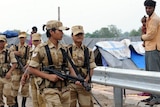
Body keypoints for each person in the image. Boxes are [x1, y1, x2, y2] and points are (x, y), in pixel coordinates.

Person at [27, 20, 73, 107]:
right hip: (49, 89)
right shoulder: (41, 48)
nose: (62, 33)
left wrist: (77, 79)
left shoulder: (64, 49)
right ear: (51, 32)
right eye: (60, 31)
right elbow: (31, 68)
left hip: (64, 89)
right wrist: (48, 76)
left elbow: (71, 67)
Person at [67, 25, 97, 107]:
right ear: (72, 36)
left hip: (84, 84)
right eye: (77, 35)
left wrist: (86, 80)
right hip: (70, 84)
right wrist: (75, 79)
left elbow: (91, 67)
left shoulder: (88, 51)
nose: (79, 37)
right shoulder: (67, 50)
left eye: (81, 34)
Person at [141, 0, 160, 106]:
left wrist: (142, 37)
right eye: (146, 8)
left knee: (155, 74)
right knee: (149, 74)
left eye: (150, 8)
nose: (148, 10)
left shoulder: (155, 19)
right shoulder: (149, 19)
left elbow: (151, 35)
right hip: (149, 49)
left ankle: (157, 97)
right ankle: (152, 96)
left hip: (154, 49)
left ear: (154, 8)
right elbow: (146, 31)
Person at [10, 32, 30, 107]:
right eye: (21, 38)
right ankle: (16, 103)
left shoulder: (28, 47)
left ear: (25, 38)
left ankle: (23, 104)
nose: (22, 39)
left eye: (23, 38)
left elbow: (30, 57)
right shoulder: (15, 46)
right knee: (14, 87)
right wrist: (14, 52)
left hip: (24, 69)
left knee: (25, 88)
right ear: (19, 38)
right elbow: (9, 52)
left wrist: (27, 64)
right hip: (16, 70)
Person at [21, 33, 42, 107]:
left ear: (40, 40)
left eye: (37, 41)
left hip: (40, 77)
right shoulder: (32, 50)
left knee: (41, 100)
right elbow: (29, 63)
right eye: (34, 41)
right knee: (34, 99)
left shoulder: (42, 50)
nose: (36, 42)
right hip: (33, 77)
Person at [0, 35, 17, 107]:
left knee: (9, 94)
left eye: (2, 41)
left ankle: (11, 104)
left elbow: (14, 63)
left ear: (5, 42)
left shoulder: (9, 52)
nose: (0, 43)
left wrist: (9, 72)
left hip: (6, 76)